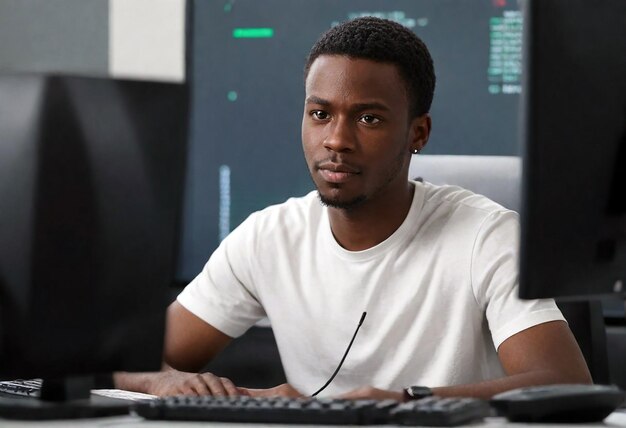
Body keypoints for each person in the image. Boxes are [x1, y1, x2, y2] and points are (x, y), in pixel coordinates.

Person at [115, 16, 591, 400]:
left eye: (368, 118)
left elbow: (563, 381)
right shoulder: (268, 237)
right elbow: (118, 358)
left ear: (418, 134)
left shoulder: (485, 235)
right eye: (320, 114)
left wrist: (406, 401)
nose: (336, 140)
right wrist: (160, 381)